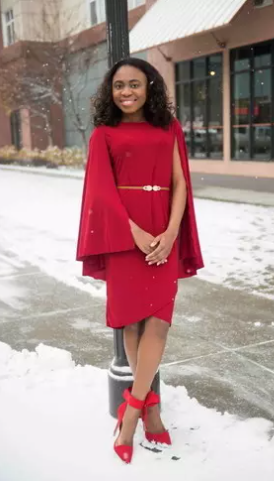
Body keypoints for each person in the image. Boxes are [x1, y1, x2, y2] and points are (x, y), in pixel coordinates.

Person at [76, 58, 204, 464]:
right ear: (110, 92)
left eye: (134, 84)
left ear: (150, 87)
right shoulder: (103, 135)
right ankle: (150, 410)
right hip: (123, 232)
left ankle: (130, 413)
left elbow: (181, 182)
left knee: (160, 324)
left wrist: (169, 234)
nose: (126, 92)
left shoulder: (169, 127)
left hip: (162, 229)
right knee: (132, 321)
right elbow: (101, 192)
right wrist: (137, 234)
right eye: (118, 86)